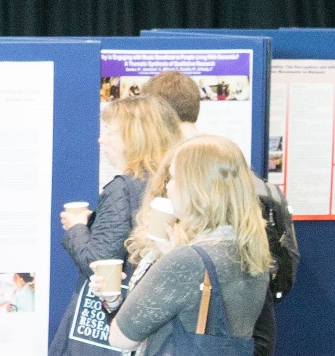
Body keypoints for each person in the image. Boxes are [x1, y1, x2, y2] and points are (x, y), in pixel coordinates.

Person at [104, 135, 273, 356]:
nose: (168, 186)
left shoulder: (186, 260)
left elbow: (120, 337)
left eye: (173, 177)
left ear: (195, 187)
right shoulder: (251, 251)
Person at [54, 97, 179, 355]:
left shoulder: (122, 188)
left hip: (112, 321)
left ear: (134, 138)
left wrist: (77, 227)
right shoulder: (171, 183)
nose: (102, 140)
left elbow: (99, 262)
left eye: (110, 132)